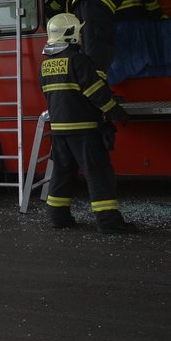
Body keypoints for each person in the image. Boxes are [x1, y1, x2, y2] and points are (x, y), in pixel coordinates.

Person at [39, 13, 135, 234]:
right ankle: (109, 222)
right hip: (83, 130)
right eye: (78, 31)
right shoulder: (78, 61)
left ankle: (58, 217)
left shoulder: (45, 66)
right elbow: (96, 94)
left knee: (62, 174)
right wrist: (117, 114)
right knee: (98, 173)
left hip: (59, 131)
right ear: (70, 35)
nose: (81, 35)